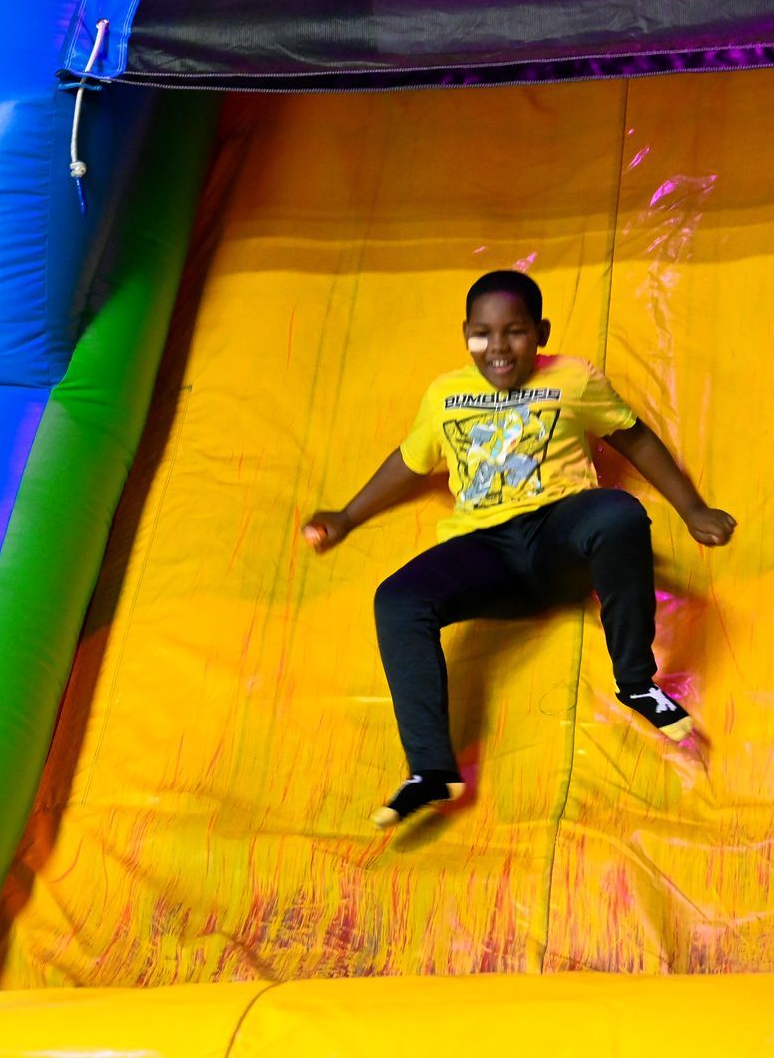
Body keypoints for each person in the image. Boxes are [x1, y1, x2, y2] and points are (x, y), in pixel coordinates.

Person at [305, 270, 736, 827]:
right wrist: (346, 515)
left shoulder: (573, 380)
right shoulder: (444, 395)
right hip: (486, 553)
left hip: (560, 535)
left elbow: (633, 437)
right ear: (466, 334)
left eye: (514, 332)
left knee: (619, 513)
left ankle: (636, 682)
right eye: (483, 333)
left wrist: (692, 508)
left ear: (541, 333)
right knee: (396, 599)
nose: (498, 346)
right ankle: (431, 769)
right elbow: (409, 461)